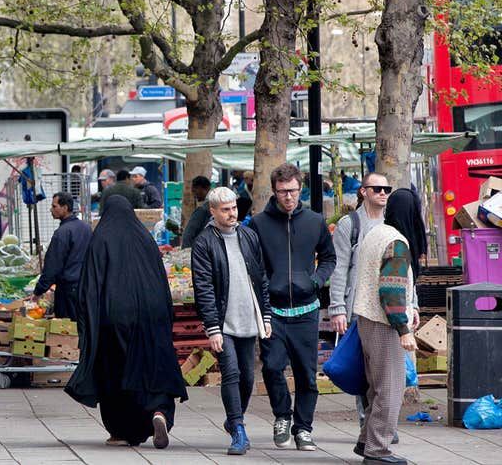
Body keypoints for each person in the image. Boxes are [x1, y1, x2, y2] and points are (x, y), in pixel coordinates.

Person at [67, 195, 188, 449]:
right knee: (151, 364)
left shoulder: (101, 238)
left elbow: (89, 286)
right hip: (151, 315)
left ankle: (121, 431)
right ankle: (159, 412)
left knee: (116, 371)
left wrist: (87, 322)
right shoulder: (145, 239)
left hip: (114, 317)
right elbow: (161, 281)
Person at [248, 163, 336, 451]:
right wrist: (265, 286)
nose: (288, 197)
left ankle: (304, 428)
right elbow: (253, 264)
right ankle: (282, 417)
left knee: (307, 375)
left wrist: (316, 281)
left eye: (293, 191)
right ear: (274, 191)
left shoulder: (314, 221)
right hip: (273, 312)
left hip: (306, 311)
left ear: (301, 189)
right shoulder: (259, 224)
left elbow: (328, 257)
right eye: (283, 191)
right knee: (272, 368)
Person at [191, 187, 271, 455]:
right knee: (232, 373)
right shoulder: (204, 243)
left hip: (248, 318)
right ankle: (238, 429)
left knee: (248, 377)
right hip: (223, 321)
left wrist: (266, 314)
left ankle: (233, 417)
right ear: (212, 211)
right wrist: (212, 327)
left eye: (234, 208)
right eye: (225, 209)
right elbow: (203, 287)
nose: (232, 213)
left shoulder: (248, 236)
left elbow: (261, 278)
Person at [351, 189, 422, 465]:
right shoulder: (397, 242)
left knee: (376, 387)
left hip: (366, 320)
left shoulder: (377, 233)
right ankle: (377, 450)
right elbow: (391, 292)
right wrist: (403, 329)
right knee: (390, 388)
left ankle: (365, 441)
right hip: (383, 322)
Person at [330, 173, 393, 431]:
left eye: (386, 189)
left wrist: (411, 304)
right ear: (363, 191)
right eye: (376, 188)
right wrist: (337, 308)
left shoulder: (392, 223)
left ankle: (381, 424)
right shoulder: (350, 224)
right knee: (364, 371)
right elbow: (338, 268)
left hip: (389, 309)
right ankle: (367, 423)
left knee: (385, 372)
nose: (382, 193)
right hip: (360, 308)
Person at [31, 192, 91, 320]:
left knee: (65, 329)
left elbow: (53, 266)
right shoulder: (86, 227)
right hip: (85, 286)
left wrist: (38, 291)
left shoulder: (62, 233)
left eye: (54, 206)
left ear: (65, 208)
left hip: (67, 290)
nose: (51, 209)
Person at [181, 176, 213, 249]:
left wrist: (186, 252)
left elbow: (188, 235)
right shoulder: (213, 203)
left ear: (200, 188)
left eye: (194, 191)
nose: (193, 195)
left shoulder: (203, 209)